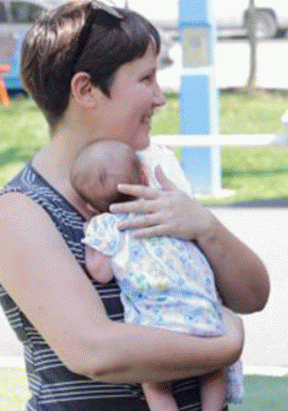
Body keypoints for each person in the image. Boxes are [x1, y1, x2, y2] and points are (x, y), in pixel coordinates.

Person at [0, 0, 270, 410]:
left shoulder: (149, 178)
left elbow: (252, 296)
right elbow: (95, 351)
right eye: (146, 79)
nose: (160, 98)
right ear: (85, 90)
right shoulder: (21, 212)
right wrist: (224, 345)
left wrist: (205, 227)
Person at [72, 139, 243, 411]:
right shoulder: (166, 209)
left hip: (156, 325)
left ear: (90, 205)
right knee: (212, 372)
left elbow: (101, 273)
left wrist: (91, 243)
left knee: (155, 385)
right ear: (143, 177)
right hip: (201, 310)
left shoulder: (105, 226)